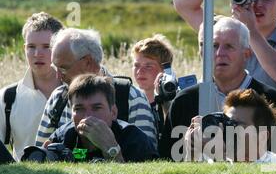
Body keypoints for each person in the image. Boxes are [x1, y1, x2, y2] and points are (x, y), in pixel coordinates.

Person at [161, 17, 276, 159]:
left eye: (229, 46)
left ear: (246, 54)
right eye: (214, 46)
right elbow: (167, 163)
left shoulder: (269, 100)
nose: (220, 53)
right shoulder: (184, 101)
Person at [35, 28, 158, 153]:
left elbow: (148, 163)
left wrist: (111, 150)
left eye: (64, 68)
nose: (58, 76)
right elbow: (40, 157)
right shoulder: (58, 99)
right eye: (79, 108)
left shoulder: (132, 98)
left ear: (88, 62)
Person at [173, 0, 276, 100]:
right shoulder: (220, 29)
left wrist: (250, 30)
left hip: (269, 132)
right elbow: (182, 4)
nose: (256, 4)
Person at [46, 74, 158, 162]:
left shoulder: (134, 140)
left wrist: (111, 149)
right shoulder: (64, 136)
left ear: (113, 112)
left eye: (96, 108)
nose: (87, 116)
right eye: (79, 109)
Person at [0, 12, 63, 160]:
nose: (37, 54)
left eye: (46, 46)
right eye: (31, 46)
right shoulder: (7, 98)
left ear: (60, 48)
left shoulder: (80, 92)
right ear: (24, 49)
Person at [185, 89, 276, 164]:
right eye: (226, 122)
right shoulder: (209, 162)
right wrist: (192, 153)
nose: (228, 129)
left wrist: (221, 158)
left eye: (236, 125)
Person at [132, 34, 175, 141]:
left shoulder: (175, 102)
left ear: (164, 69)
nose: (140, 71)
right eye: (136, 65)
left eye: (148, 66)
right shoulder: (130, 100)